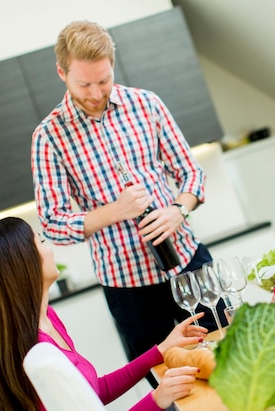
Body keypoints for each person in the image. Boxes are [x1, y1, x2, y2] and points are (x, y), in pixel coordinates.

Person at [31, 20, 226, 366]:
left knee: (231, 353)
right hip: (128, 289)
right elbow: (52, 223)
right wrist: (115, 210)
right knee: (162, 385)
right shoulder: (49, 136)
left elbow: (191, 173)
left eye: (104, 80)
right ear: (61, 72)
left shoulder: (146, 105)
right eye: (84, 84)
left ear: (112, 65)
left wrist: (177, 210)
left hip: (188, 262)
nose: (95, 93)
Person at [0, 216, 208, 411]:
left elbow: (94, 391)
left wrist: (161, 350)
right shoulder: (34, 353)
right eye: (41, 241)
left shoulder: (46, 319)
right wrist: (159, 397)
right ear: (23, 263)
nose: (49, 250)